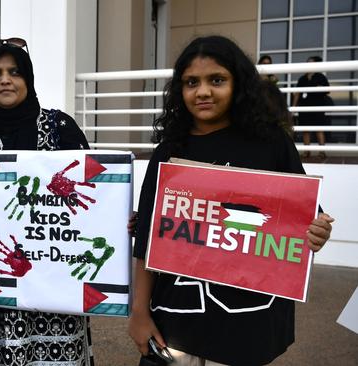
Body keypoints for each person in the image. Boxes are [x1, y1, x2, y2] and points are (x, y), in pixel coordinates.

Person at [128, 35, 334, 366]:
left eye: (217, 80)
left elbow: (305, 220)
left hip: (246, 326)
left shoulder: (271, 144)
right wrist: (139, 312)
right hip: (176, 322)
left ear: (239, 84)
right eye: (191, 82)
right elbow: (147, 239)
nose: (203, 91)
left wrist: (318, 233)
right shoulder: (169, 152)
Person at [0, 38, 94, 365]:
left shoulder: (59, 128)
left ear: (27, 79)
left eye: (15, 72)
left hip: (57, 274)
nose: (5, 80)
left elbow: (92, 197)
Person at [293, 56, 331, 159]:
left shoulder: (321, 77)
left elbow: (327, 90)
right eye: (307, 62)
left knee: (319, 129)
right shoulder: (302, 78)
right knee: (305, 130)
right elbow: (297, 94)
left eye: (311, 63)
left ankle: (322, 152)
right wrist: (294, 108)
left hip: (317, 107)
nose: (308, 65)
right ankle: (307, 152)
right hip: (304, 107)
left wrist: (320, 88)